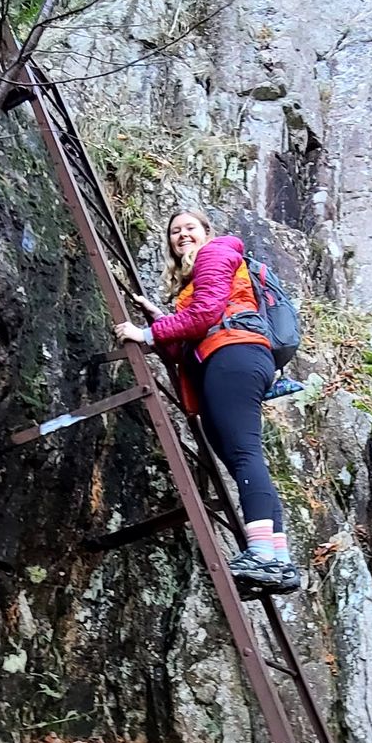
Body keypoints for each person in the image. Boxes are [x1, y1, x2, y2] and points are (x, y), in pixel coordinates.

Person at [114, 209, 300, 597]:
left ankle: (263, 555)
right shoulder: (194, 282)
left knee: (245, 455)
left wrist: (146, 332)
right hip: (226, 358)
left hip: (233, 354)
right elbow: (190, 337)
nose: (182, 234)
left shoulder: (217, 252)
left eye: (189, 228)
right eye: (174, 231)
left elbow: (207, 315)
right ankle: (278, 562)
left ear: (206, 233)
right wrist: (163, 322)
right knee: (243, 460)